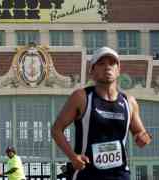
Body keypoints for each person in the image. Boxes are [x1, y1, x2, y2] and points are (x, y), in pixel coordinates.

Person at [51, 46, 152, 180]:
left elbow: (141, 134)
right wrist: (73, 157)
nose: (107, 67)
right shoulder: (81, 97)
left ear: (118, 70)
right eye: (101, 63)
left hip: (120, 175)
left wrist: (144, 138)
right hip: (87, 174)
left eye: (112, 63)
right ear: (92, 70)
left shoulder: (130, 102)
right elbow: (56, 129)